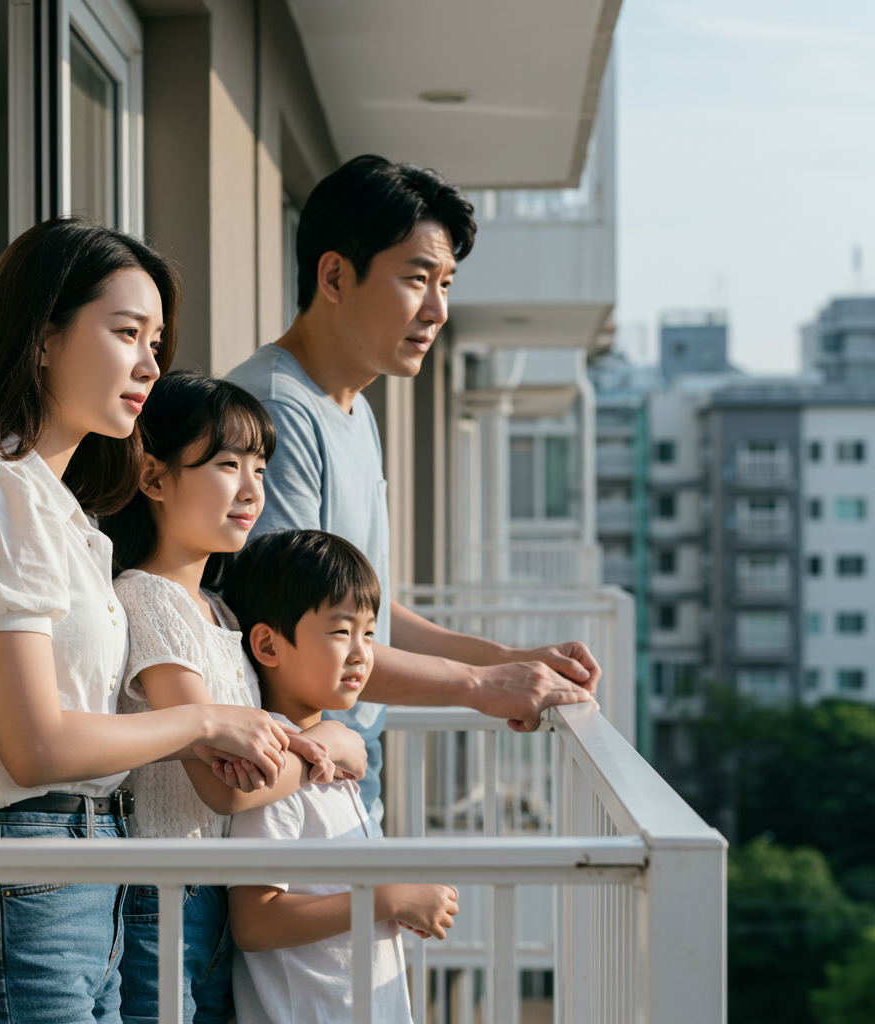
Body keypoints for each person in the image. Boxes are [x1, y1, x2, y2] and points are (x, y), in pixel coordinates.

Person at [0, 218, 290, 1024]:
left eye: (156, 340)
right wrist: (201, 721)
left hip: (91, 865)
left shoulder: (67, 518)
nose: (151, 364)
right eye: (125, 333)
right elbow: (36, 744)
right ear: (43, 339)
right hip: (22, 865)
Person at [227, 155, 601, 823]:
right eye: (416, 279)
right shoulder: (274, 410)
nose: (437, 310)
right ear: (335, 275)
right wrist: (480, 685)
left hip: (340, 771)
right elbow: (301, 638)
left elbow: (365, 618)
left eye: (448, 284)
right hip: (288, 782)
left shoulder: (351, 410)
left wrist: (507, 661)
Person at [98, 370, 367, 1024]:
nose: (253, 490)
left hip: (211, 894)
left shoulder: (219, 610)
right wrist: (326, 749)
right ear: (154, 478)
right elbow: (223, 786)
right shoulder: (149, 597)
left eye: (260, 467)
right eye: (227, 465)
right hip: (163, 899)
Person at [222, 529, 459, 1024]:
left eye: (369, 633)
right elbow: (255, 920)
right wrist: (387, 898)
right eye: (341, 631)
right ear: (267, 644)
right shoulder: (276, 766)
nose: (361, 652)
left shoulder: (325, 750)